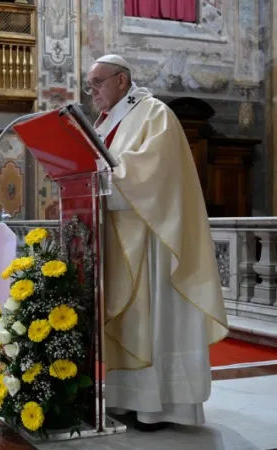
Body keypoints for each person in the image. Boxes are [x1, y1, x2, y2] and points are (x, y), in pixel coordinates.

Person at [88, 55, 228, 430]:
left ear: (121, 80)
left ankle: (159, 404)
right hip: (119, 236)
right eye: (90, 85)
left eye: (97, 83)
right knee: (129, 320)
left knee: (153, 319)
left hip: (152, 238)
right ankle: (125, 398)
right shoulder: (103, 125)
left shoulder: (155, 114)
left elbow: (153, 170)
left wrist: (103, 173)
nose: (93, 92)